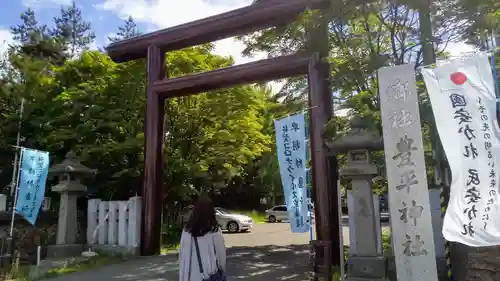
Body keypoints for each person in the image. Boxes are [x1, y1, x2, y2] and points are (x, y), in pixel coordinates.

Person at [179, 195, 227, 281]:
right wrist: (222, 270)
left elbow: (182, 255)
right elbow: (221, 256)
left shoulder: (186, 231)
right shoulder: (214, 231)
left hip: (189, 276)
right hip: (208, 276)